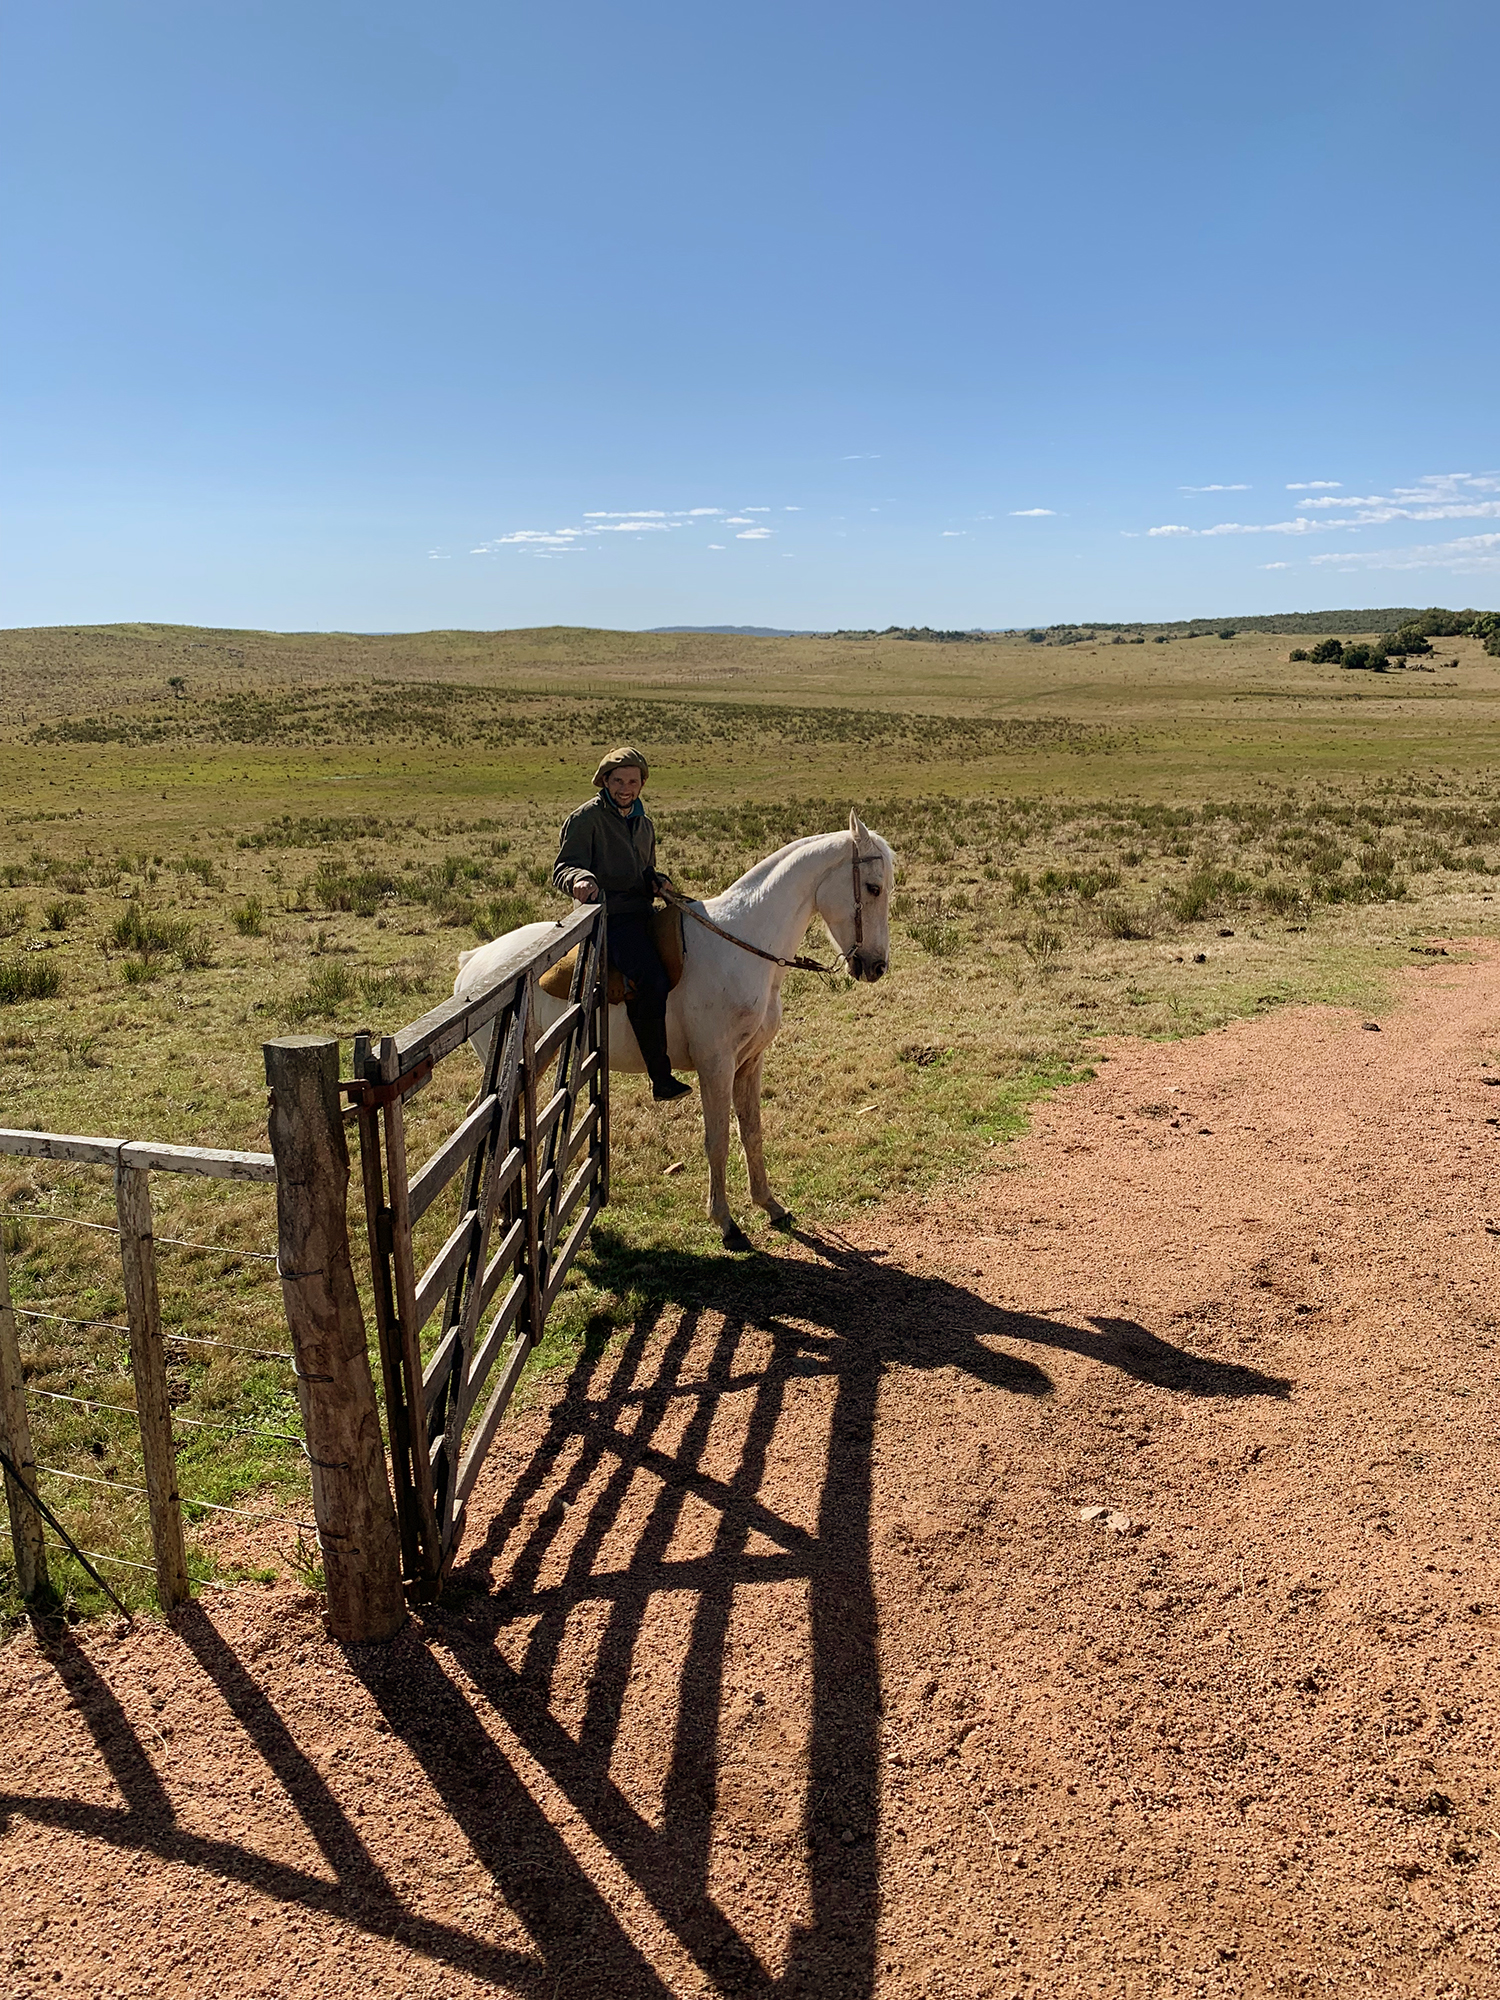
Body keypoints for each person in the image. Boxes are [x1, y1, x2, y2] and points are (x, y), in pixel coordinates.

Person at [553, 747, 693, 1102]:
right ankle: (660, 1077)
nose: (625, 787)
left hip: (643, 912)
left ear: (642, 783)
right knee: (651, 978)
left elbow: (644, 869)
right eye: (618, 781)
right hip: (608, 917)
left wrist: (657, 881)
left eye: (633, 780)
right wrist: (580, 880)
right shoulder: (585, 819)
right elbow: (564, 867)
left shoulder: (644, 823)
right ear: (605, 782)